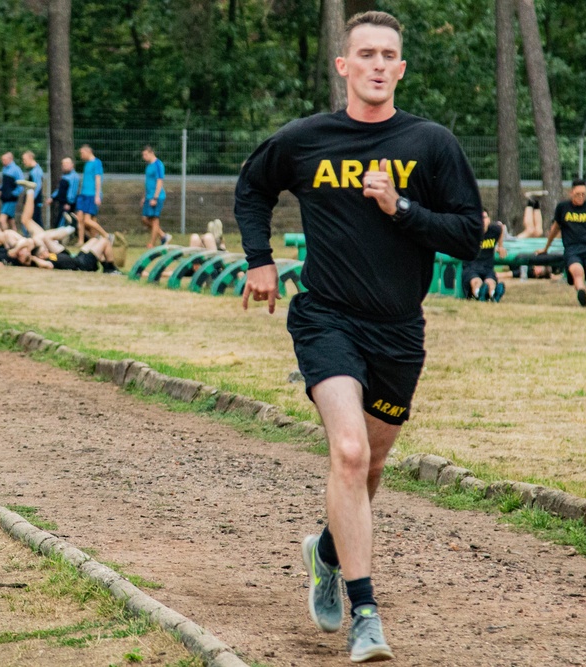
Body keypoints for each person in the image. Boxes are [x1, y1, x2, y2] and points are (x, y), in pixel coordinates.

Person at [234, 11, 482, 663]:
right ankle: (365, 611)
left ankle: (325, 550)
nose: (376, 63)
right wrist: (258, 257)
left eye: (388, 55)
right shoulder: (307, 138)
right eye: (364, 53)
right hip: (326, 318)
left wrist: (400, 206)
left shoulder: (431, 144)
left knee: (370, 468)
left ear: (401, 69)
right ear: (343, 66)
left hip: (399, 330)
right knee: (346, 451)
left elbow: (469, 234)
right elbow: (253, 186)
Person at [536, 179, 586, 307]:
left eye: (583, 194)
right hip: (571, 249)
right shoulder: (563, 208)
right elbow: (554, 229)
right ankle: (583, 296)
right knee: (577, 270)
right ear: (571, 193)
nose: (581, 197)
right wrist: (546, 248)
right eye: (578, 194)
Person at [462, 211, 507, 301]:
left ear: (489, 220)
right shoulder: (470, 231)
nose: (482, 221)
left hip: (487, 267)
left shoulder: (494, 230)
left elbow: (501, 228)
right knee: (476, 281)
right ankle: (479, 293)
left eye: (485, 218)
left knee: (490, 282)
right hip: (471, 267)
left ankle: (493, 294)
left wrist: (500, 246)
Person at [76, 144, 108, 245]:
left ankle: (106, 235)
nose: (81, 155)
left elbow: (98, 179)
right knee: (79, 217)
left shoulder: (97, 163)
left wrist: (97, 195)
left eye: (82, 153)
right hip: (83, 194)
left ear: (88, 151)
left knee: (88, 220)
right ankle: (81, 241)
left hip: (92, 194)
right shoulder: (87, 164)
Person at [141, 146, 170, 248]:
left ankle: (151, 244)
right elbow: (148, 183)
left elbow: (159, 181)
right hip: (148, 196)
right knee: (144, 219)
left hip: (156, 197)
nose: (143, 157)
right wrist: (144, 196)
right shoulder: (148, 166)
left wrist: (155, 198)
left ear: (151, 153)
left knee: (154, 220)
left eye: (145, 155)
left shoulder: (158, 164)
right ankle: (163, 236)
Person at [47, 157, 80, 228]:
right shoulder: (65, 176)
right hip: (62, 203)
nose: (64, 165)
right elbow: (59, 190)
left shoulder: (74, 177)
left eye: (67, 163)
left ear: (72, 165)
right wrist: (52, 197)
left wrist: (68, 203)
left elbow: (72, 191)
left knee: (62, 223)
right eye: (63, 164)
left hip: (67, 205)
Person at [0, 152, 24, 231]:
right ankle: (15, 234)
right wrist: (0, 189)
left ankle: (6, 237)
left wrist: (13, 194)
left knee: (2, 219)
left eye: (4, 160)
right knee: (10, 220)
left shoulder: (16, 169)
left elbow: (21, 184)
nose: (3, 161)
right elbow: (5, 183)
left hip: (10, 199)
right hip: (5, 198)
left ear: (10, 159)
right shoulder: (4, 169)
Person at [21, 151, 45, 226]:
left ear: (30, 158)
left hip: (35, 200)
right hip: (33, 199)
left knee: (36, 219)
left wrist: (30, 200)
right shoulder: (33, 170)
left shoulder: (36, 171)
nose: (23, 162)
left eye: (25, 159)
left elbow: (37, 187)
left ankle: (42, 236)